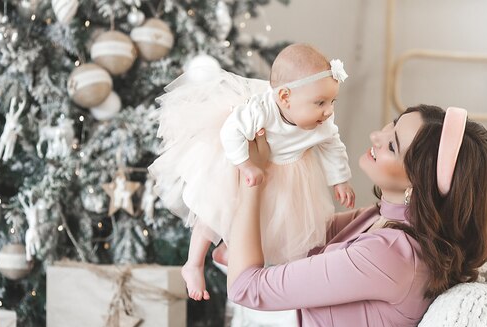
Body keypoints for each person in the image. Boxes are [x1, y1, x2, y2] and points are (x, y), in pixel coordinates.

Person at [140, 104, 487, 327]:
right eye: (390, 125)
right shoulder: (373, 219)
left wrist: (254, 179)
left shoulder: (390, 256)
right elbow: (285, 235)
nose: (376, 135)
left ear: (416, 184)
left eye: (392, 145)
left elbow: (248, 288)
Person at [149, 44, 355, 301]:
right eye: (320, 102)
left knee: (271, 220)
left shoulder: (322, 122)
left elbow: (332, 145)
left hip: (287, 173)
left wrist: (340, 180)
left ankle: (229, 251)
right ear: (285, 98)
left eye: (332, 101)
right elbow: (230, 132)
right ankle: (194, 263)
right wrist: (245, 164)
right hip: (237, 161)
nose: (328, 111)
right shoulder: (260, 110)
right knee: (216, 210)